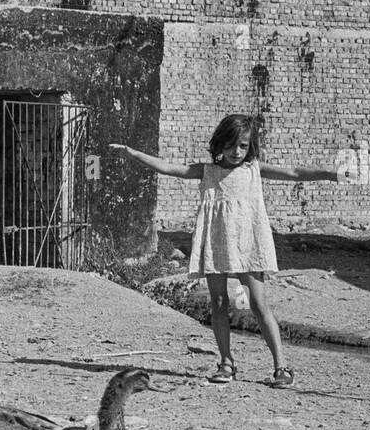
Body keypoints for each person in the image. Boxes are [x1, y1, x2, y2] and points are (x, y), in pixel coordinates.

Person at [111, 114, 339, 388]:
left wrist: (332, 174)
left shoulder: (254, 169)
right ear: (220, 143)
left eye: (243, 146)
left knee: (258, 303)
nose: (237, 152)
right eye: (232, 145)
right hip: (217, 243)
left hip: (249, 243)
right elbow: (170, 168)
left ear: (250, 147)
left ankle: (281, 366)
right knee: (218, 302)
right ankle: (226, 363)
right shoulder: (207, 171)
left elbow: (295, 173)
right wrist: (133, 153)